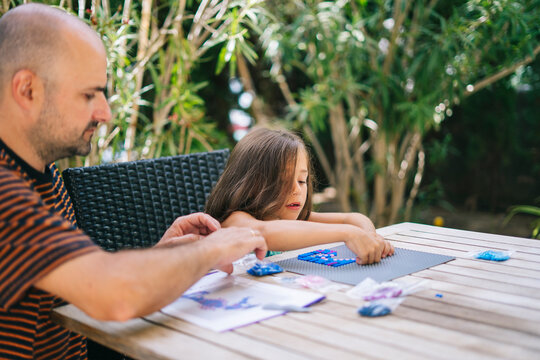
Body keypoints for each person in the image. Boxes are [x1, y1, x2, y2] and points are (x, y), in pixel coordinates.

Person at [0, 4, 266, 359]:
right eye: (89, 94)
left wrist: (163, 258)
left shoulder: (41, 170)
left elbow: (74, 288)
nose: (106, 113)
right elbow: (114, 295)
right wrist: (210, 251)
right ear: (27, 90)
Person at [206, 127, 395, 263]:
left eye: (302, 181)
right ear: (249, 183)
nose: (297, 190)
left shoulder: (289, 217)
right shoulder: (235, 221)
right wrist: (348, 234)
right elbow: (262, 234)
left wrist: (369, 238)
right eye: (282, 182)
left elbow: (351, 218)